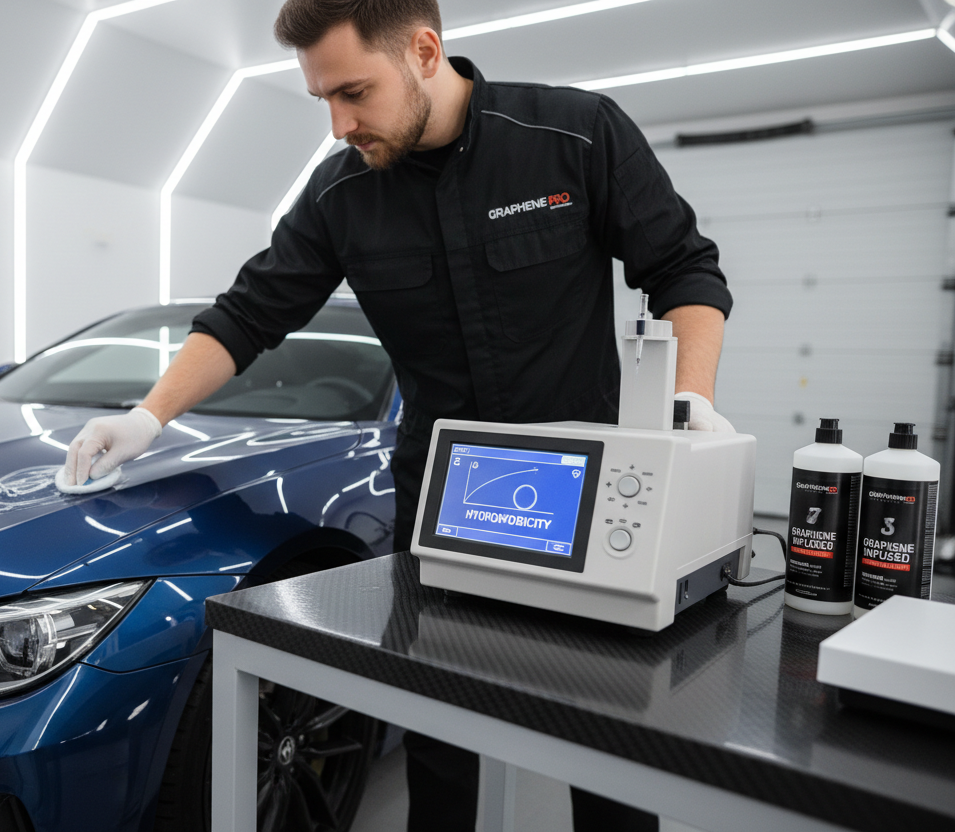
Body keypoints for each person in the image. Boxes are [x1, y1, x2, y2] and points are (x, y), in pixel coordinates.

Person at [63, 1, 734, 829]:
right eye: (323, 101)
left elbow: (684, 269)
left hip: (589, 502)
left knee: (609, 751)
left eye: (354, 92)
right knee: (440, 744)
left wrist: (692, 397)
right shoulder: (341, 193)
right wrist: (148, 415)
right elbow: (248, 313)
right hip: (442, 502)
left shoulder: (575, 134)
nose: (340, 124)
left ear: (424, 50)